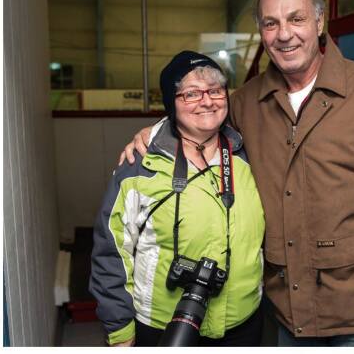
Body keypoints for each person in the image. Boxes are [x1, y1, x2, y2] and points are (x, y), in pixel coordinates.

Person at [120, 0, 354, 347]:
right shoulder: (246, 103)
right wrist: (158, 134)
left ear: (319, 23)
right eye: (271, 24)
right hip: (286, 311)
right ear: (262, 33)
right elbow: (199, 120)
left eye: (296, 19)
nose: (284, 35)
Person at [90, 51, 265, 346]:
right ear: (172, 103)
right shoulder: (141, 164)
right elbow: (111, 251)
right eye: (191, 94)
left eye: (215, 90)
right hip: (162, 324)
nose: (207, 101)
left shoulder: (248, 154)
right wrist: (119, 328)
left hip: (243, 320)